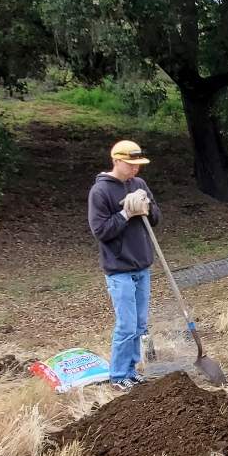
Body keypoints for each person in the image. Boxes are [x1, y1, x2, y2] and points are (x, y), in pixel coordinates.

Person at [88, 140, 162, 391]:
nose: (135, 170)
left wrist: (146, 204)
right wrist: (125, 215)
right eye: (131, 165)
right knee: (127, 325)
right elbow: (100, 231)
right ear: (116, 161)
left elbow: (156, 219)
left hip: (142, 266)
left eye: (138, 165)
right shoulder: (100, 192)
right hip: (119, 270)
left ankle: (131, 371)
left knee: (140, 325)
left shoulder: (139, 184)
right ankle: (118, 376)